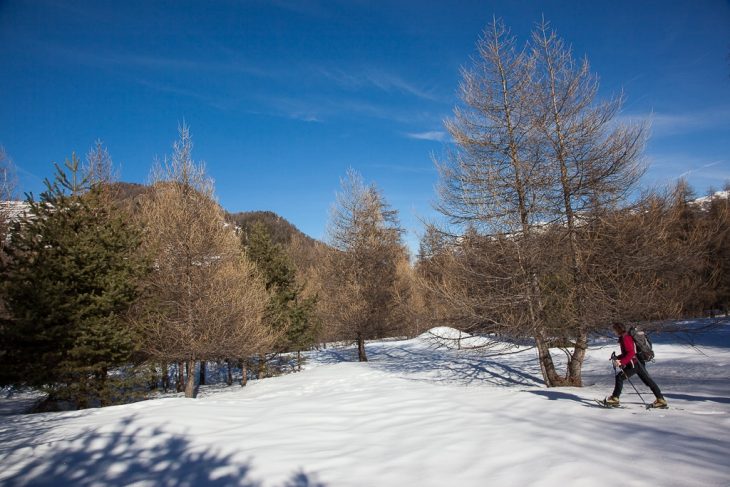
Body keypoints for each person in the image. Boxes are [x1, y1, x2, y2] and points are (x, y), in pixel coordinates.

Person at [605, 322, 668, 408]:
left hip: (635, 364)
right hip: (637, 363)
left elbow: (631, 353)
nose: (613, 332)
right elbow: (627, 353)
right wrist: (618, 358)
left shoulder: (625, 338)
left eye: (614, 330)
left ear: (617, 329)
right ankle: (661, 399)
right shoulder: (625, 337)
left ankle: (615, 398)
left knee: (620, 377)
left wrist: (621, 362)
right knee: (648, 381)